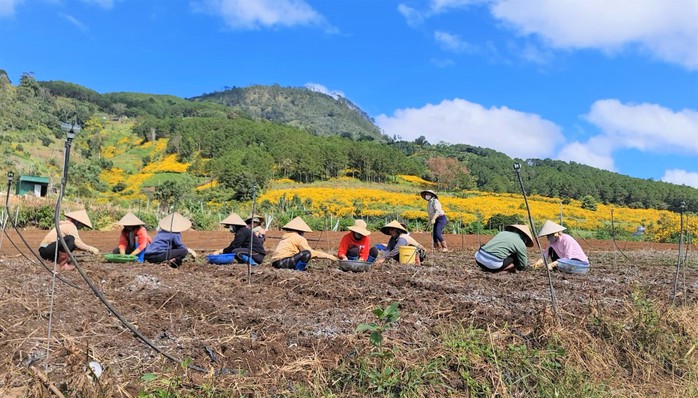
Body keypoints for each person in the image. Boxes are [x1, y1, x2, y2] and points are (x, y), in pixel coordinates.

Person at [270, 216, 337, 271]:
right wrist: (330, 256)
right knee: (307, 253)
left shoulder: (286, 237)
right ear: (300, 231)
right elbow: (311, 253)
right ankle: (298, 270)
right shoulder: (298, 238)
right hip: (284, 262)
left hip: (275, 263)